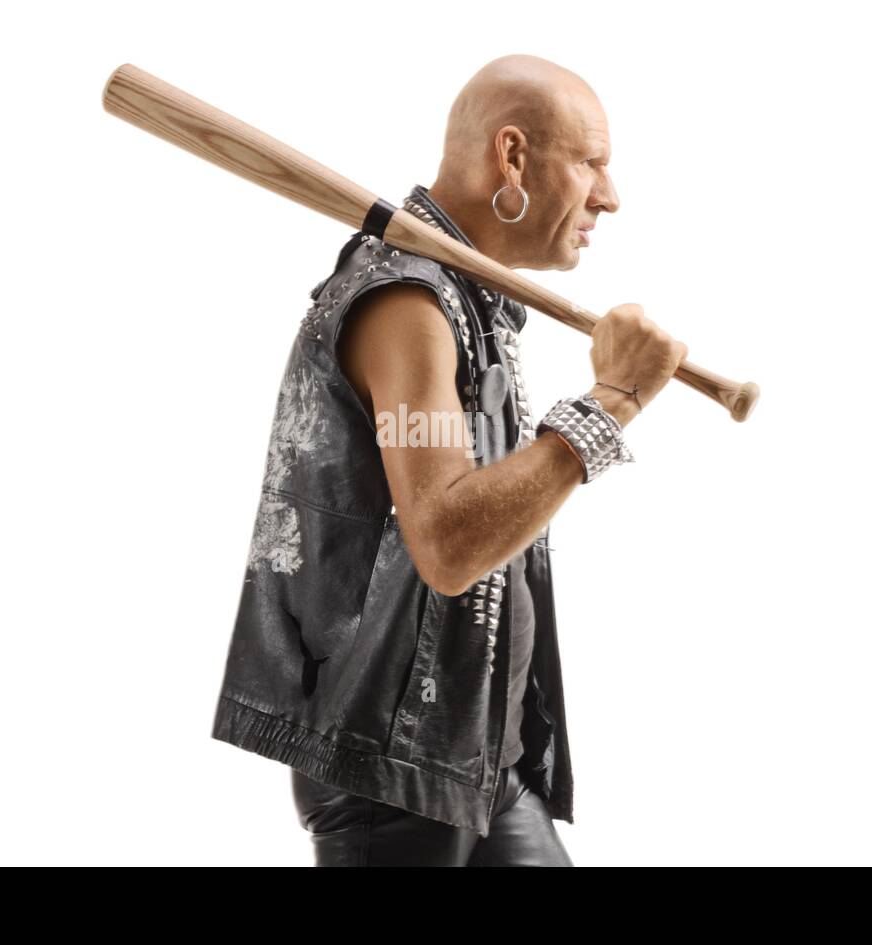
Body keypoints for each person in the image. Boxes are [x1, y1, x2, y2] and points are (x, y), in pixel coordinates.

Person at [210, 54, 687, 866]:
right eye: (592, 161)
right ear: (512, 158)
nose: (609, 195)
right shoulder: (407, 302)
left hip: (478, 757)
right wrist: (612, 404)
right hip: (390, 773)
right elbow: (448, 544)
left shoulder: (470, 301)